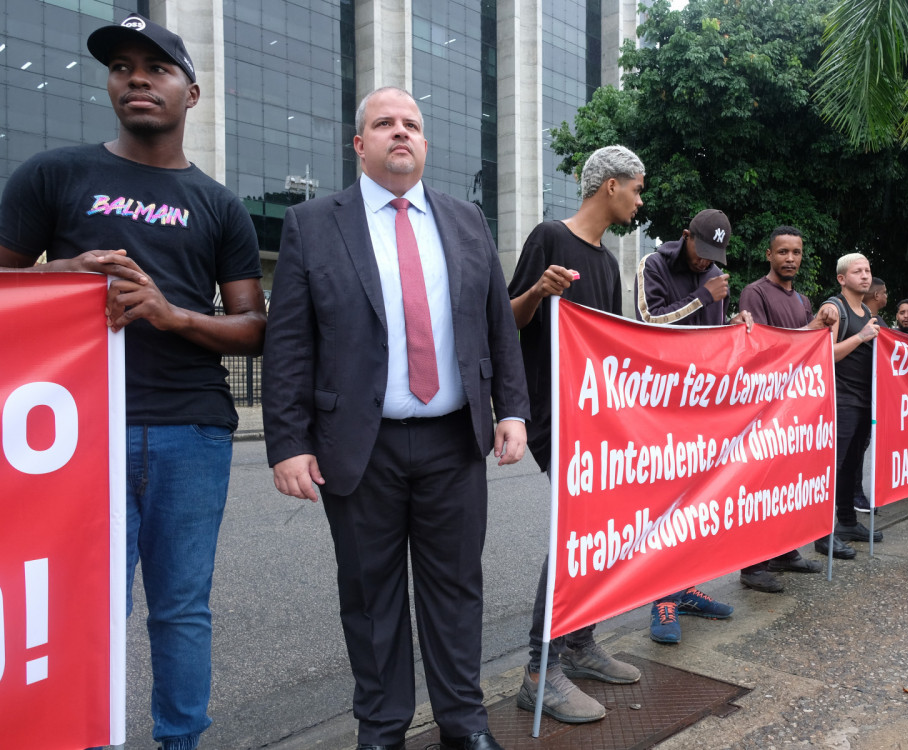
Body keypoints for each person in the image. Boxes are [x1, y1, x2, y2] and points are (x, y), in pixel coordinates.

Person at [0, 15, 266, 750]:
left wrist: (171, 314)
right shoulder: (53, 175)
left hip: (194, 429)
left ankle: (180, 741)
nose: (136, 78)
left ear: (193, 91)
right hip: (78, 434)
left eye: (157, 67)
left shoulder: (219, 204)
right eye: (122, 66)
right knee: (85, 608)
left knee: (182, 609)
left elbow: (256, 329)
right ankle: (85, 735)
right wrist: (56, 275)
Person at [263, 87, 528, 750]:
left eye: (411, 124)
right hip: (358, 445)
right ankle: (381, 730)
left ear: (425, 143)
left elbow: (499, 325)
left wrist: (514, 410)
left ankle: (464, 724)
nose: (399, 133)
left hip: (452, 440)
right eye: (384, 124)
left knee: (456, 590)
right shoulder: (314, 224)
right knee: (370, 596)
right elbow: (289, 341)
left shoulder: (467, 220)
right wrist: (287, 443)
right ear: (360, 144)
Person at [507, 145, 645, 725]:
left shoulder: (609, 262)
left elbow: (609, 346)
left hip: (595, 419)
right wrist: (539, 291)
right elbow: (505, 320)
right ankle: (540, 670)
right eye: (637, 188)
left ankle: (581, 645)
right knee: (576, 531)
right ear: (610, 185)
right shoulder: (547, 237)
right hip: (551, 414)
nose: (640, 200)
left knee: (604, 528)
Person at [633, 208, 746, 639]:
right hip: (661, 406)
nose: (707, 262)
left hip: (701, 407)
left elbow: (711, 339)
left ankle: (684, 588)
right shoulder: (654, 264)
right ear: (686, 237)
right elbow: (648, 322)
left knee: (696, 504)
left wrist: (734, 323)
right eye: (703, 252)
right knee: (665, 505)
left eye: (717, 255)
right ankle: (662, 600)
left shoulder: (715, 274)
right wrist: (702, 296)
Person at [735, 225, 824, 590]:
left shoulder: (802, 300)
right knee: (761, 486)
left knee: (789, 483)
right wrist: (815, 328)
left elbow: (809, 354)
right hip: (764, 407)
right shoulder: (754, 293)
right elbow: (760, 350)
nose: (790, 258)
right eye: (783, 252)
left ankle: (785, 552)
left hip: (795, 408)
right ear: (769, 255)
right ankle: (752, 567)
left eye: (796, 252)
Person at [807, 253, 884, 558]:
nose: (865, 276)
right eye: (857, 272)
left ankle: (848, 523)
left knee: (852, 466)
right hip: (840, 400)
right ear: (842, 279)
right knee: (833, 468)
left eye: (867, 270)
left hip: (865, 400)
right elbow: (824, 352)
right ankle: (822, 534)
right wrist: (862, 337)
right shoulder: (834, 308)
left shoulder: (865, 309)